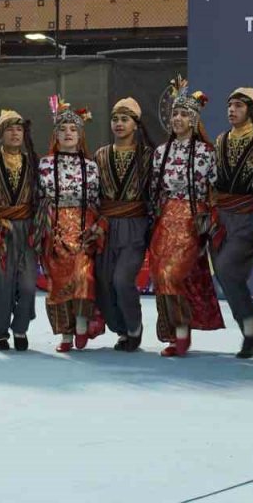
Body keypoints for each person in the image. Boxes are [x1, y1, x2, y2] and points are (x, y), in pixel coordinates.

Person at [146, 77, 224, 357]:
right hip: (165, 218)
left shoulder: (206, 152)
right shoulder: (160, 152)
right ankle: (174, 333)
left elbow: (216, 189)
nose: (177, 118)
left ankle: (181, 333)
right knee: (160, 275)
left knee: (173, 275)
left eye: (183, 114)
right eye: (174, 113)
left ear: (193, 119)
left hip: (192, 219)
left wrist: (210, 220)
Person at [36, 96, 103, 353]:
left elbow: (98, 201)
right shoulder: (44, 165)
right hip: (54, 228)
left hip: (83, 227)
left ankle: (83, 322)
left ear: (80, 134)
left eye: (73, 129)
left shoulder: (91, 166)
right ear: (55, 134)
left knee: (83, 276)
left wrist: (96, 228)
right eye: (62, 129)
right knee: (58, 281)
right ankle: (65, 332)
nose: (68, 133)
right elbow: (38, 200)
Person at [211, 87, 253, 358]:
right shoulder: (221, 140)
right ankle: (251, 331)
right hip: (222, 217)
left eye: (238, 105)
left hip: (249, 217)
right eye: (229, 105)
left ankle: (252, 325)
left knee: (226, 269)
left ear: (252, 110)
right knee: (226, 275)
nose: (231, 110)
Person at [94, 97, 154, 352]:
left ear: (136, 124)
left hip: (135, 227)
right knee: (104, 281)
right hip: (106, 227)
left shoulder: (148, 156)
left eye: (124, 119)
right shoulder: (101, 155)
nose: (119, 124)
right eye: (115, 119)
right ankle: (121, 330)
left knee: (122, 280)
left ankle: (134, 328)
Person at [0, 110, 39, 351]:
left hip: (26, 228)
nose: (15, 133)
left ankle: (21, 327)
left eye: (19, 129)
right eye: (9, 129)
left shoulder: (33, 162)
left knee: (27, 284)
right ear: (0, 134)